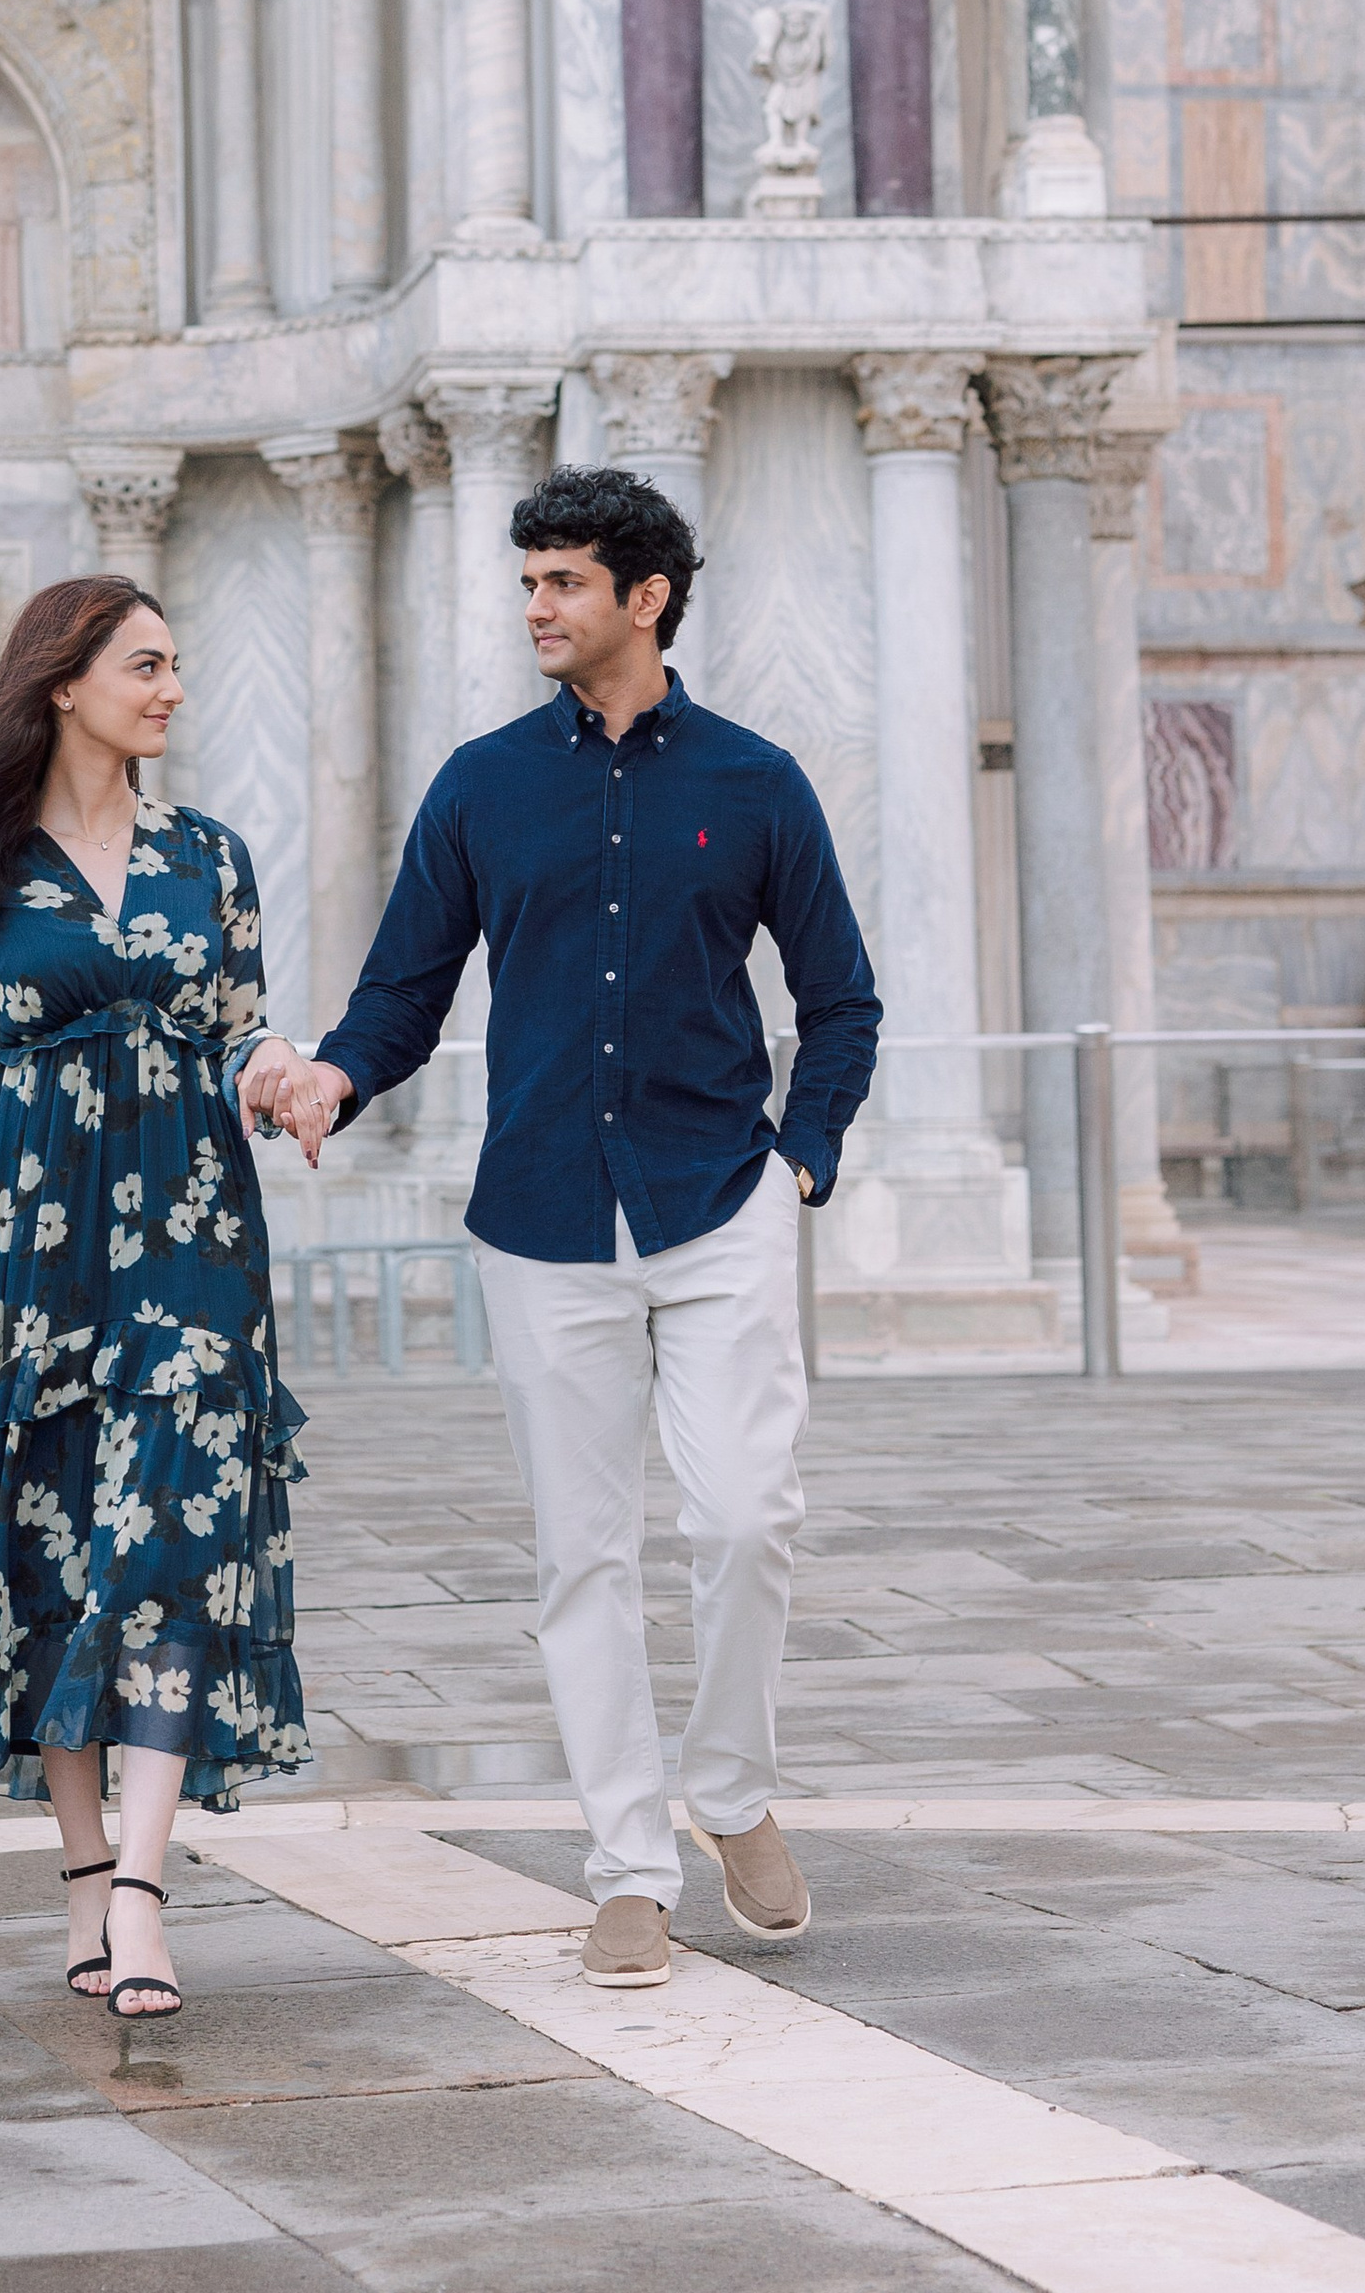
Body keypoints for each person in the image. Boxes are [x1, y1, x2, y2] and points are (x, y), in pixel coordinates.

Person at [244, 464, 881, 1994]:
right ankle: (628, 1868)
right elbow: (408, 981)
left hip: (724, 1203)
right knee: (581, 1560)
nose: (535, 607)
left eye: (563, 583)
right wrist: (337, 1074)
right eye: (527, 581)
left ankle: (730, 1790)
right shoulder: (480, 784)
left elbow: (842, 999)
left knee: (746, 1520)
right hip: (539, 1222)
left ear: (645, 597)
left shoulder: (756, 782)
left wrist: (802, 1159)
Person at [0, 573, 311, 2022]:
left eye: (174, 666)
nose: (170, 690)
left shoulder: (208, 854)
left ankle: (146, 1899)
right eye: (147, 665)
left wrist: (281, 1073)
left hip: (194, 1235)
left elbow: (237, 1025)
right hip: (35, 1249)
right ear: (64, 681)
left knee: (167, 1546)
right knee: (51, 1556)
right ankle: (89, 1881)